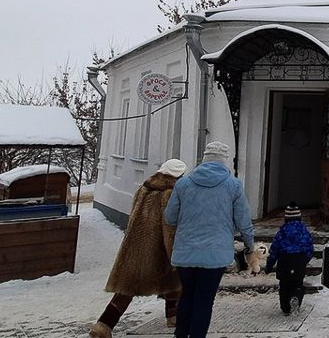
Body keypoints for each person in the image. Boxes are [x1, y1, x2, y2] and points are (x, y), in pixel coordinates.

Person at [164, 142, 255, 338]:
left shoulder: (183, 184)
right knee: (204, 300)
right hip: (216, 254)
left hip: (185, 253)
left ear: (203, 159)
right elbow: (243, 220)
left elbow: (169, 217)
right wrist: (249, 244)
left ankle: (181, 336)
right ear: (224, 161)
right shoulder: (233, 185)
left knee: (187, 295)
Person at [90, 159, 187, 338]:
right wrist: (174, 253)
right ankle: (103, 326)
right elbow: (169, 227)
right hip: (156, 249)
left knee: (130, 287)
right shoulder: (169, 194)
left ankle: (172, 316)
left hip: (135, 245)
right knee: (172, 277)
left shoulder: (145, 188)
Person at [265, 202, 315, 316]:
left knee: (284, 285)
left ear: (286, 218)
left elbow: (275, 249)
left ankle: (285, 308)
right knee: (297, 283)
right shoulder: (304, 232)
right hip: (299, 259)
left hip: (284, 260)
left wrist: (269, 264)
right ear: (299, 218)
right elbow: (309, 248)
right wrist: (305, 260)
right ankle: (296, 297)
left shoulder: (282, 232)